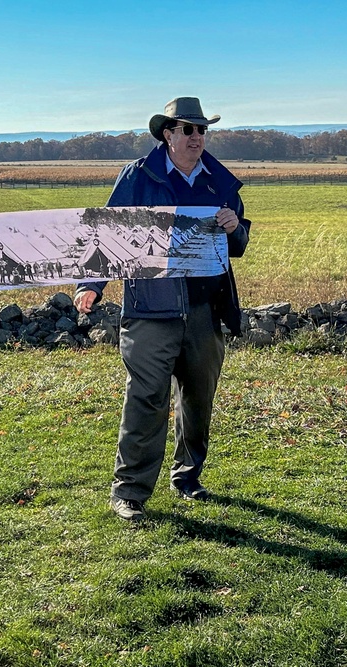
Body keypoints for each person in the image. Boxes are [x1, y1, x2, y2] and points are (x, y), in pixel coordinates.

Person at [74, 97, 251, 522]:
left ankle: (188, 477)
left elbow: (239, 244)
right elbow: (104, 232)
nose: (196, 137)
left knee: (198, 400)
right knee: (146, 398)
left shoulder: (218, 182)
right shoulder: (138, 176)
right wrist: (90, 284)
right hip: (150, 309)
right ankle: (130, 492)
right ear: (167, 135)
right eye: (187, 130)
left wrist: (234, 229)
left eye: (201, 130)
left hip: (206, 308)